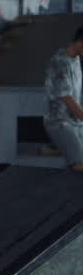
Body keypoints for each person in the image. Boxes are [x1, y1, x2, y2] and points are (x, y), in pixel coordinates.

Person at [44, 26, 83, 171]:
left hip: (76, 123)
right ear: (79, 43)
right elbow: (67, 98)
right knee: (80, 166)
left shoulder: (76, 61)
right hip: (60, 123)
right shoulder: (60, 61)